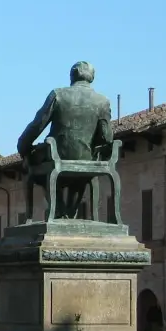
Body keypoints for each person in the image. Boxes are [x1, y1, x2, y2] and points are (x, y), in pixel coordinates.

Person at [17, 61, 113, 219]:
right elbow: (107, 137)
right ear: (92, 78)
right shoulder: (103, 101)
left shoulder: (58, 94)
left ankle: (59, 209)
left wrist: (23, 147)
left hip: (57, 156)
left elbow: (37, 125)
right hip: (87, 158)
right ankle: (67, 212)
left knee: (35, 165)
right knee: (79, 175)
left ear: (72, 75)